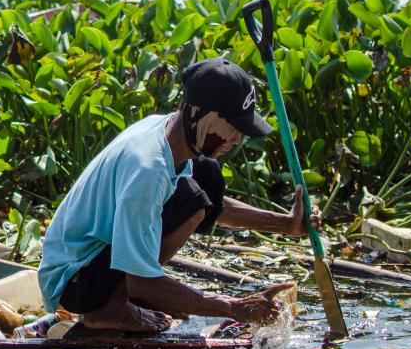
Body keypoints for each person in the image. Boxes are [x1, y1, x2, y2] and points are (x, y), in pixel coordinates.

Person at [38, 58, 318, 332]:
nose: (235, 140)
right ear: (200, 114)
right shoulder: (148, 171)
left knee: (205, 173)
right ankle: (108, 310)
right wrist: (233, 307)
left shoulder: (170, 131)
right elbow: (141, 281)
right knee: (193, 200)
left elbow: (215, 206)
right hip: (74, 280)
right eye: (233, 128)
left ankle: (124, 296)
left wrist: (286, 224)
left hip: (97, 262)